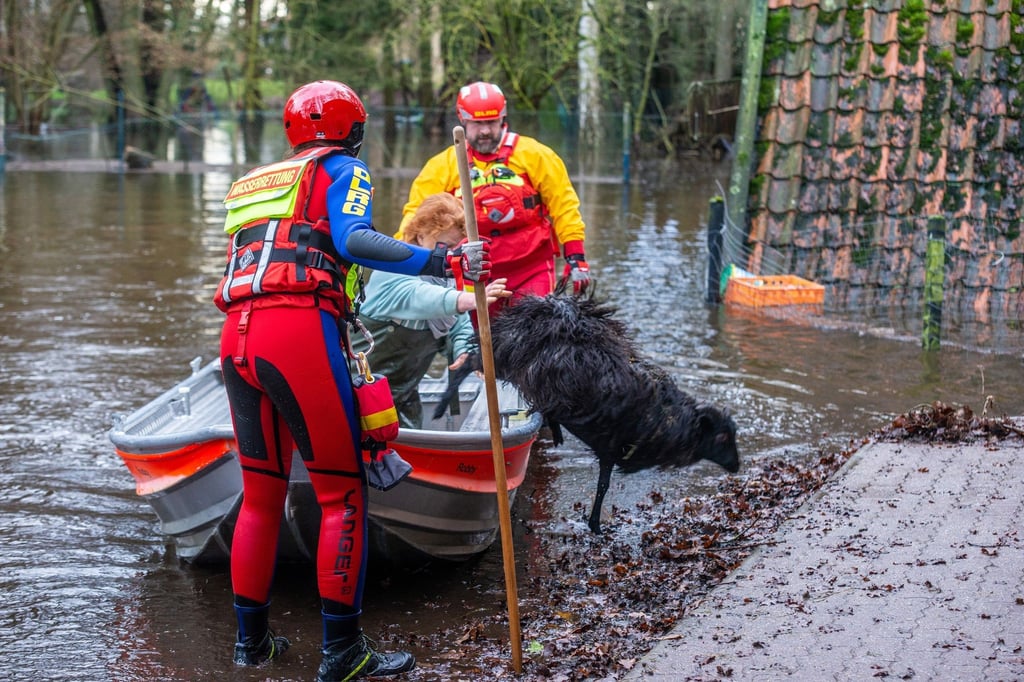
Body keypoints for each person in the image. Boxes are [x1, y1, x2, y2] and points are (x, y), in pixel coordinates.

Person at [213, 80, 489, 681]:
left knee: (260, 497)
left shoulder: (256, 182)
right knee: (342, 494)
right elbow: (352, 241)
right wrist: (445, 262)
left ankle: (250, 647)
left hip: (237, 337)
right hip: (297, 335)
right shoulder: (345, 169)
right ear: (353, 130)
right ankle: (342, 655)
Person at [398, 81, 591, 314]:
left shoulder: (535, 155)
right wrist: (400, 260)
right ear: (463, 120)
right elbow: (417, 215)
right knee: (479, 340)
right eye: (478, 124)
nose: (486, 131)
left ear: (503, 118)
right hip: (473, 271)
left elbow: (565, 206)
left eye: (491, 122)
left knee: (534, 333)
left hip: (531, 266)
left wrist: (576, 256)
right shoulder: (443, 165)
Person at [351, 192, 510, 428]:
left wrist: (465, 351)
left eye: (456, 246)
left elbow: (458, 323)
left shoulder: (445, 277)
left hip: (405, 394)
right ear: (419, 234)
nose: (450, 253)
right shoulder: (391, 269)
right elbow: (421, 297)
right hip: (360, 392)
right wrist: (470, 299)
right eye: (443, 245)